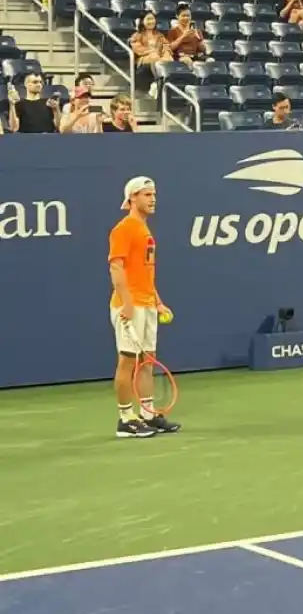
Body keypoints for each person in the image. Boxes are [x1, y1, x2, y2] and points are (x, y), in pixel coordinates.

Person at [108, 177, 180, 438]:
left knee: (146, 362)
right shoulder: (124, 228)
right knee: (127, 362)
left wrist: (157, 301)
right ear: (132, 199)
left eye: (154, 194)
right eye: (146, 194)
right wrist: (127, 302)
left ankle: (148, 414)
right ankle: (126, 419)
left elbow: (144, 273)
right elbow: (116, 266)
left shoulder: (144, 230)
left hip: (146, 304)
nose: (152, 199)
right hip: (129, 306)